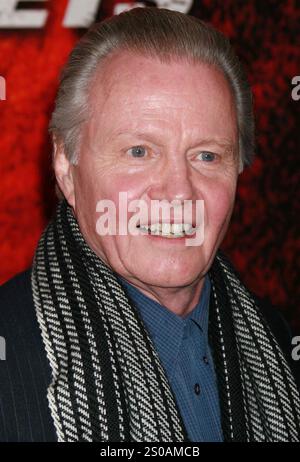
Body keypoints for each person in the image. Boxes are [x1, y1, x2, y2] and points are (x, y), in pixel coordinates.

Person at [0, 7, 299, 442]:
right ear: (66, 165)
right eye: (139, 151)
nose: (178, 192)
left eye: (207, 155)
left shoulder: (277, 343)